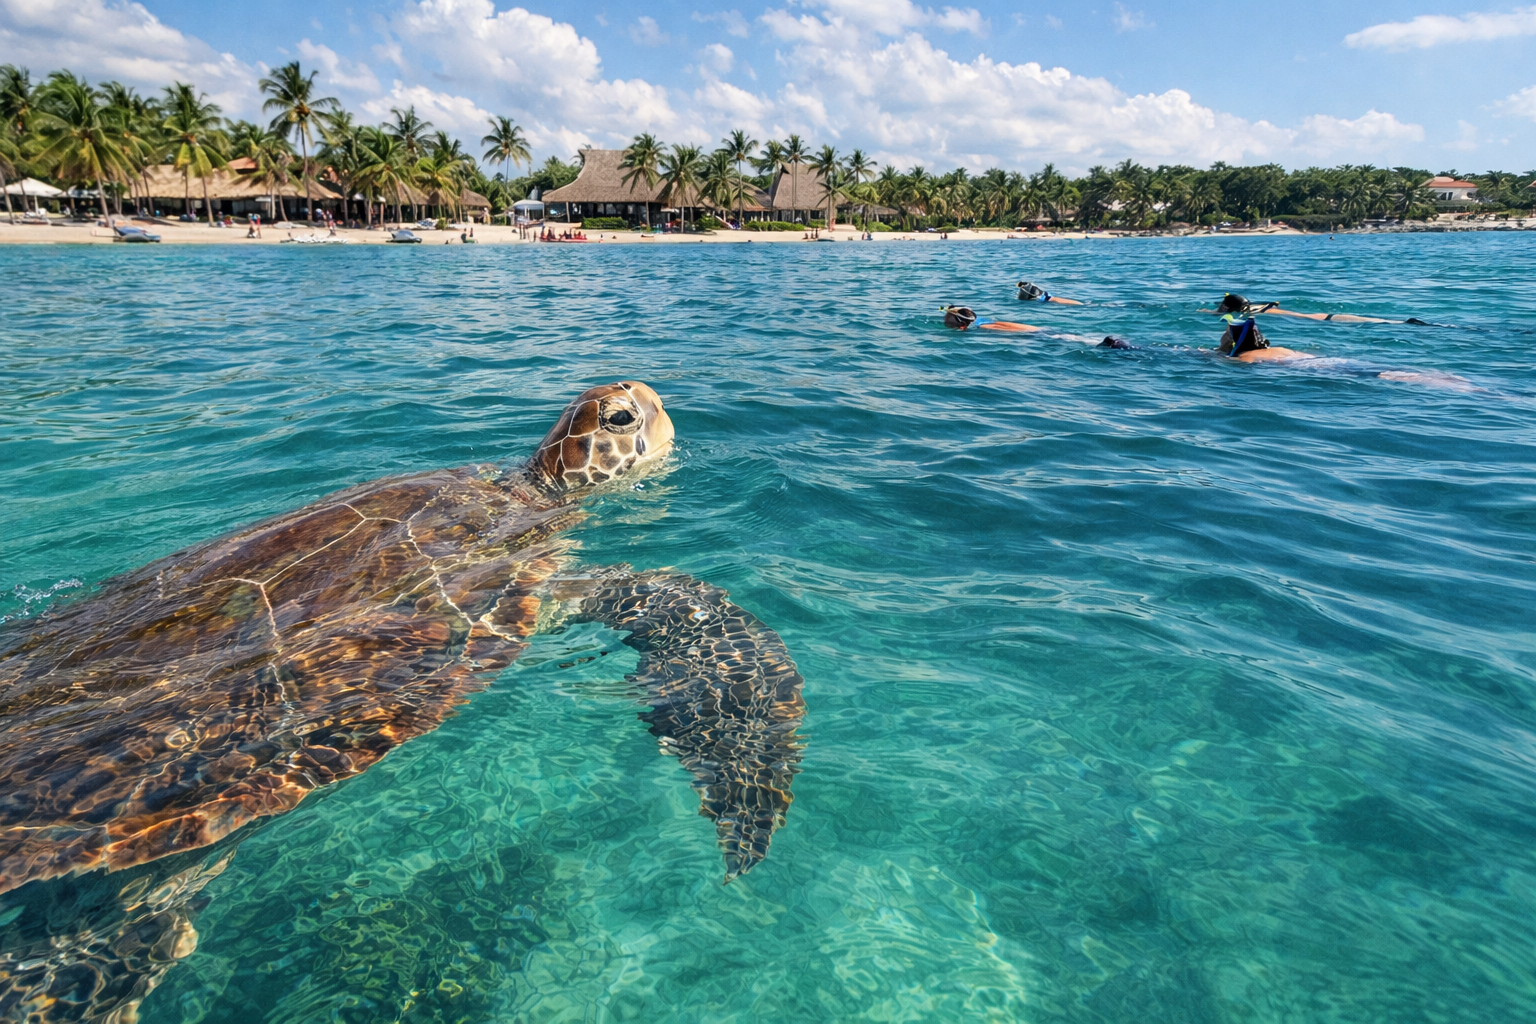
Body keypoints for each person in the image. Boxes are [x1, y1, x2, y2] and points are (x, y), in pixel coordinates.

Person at [1207, 293, 1427, 325]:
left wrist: (1217, 311)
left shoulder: (1250, 314)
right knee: (1383, 321)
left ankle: (1405, 323)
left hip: (1318, 321)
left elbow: (1216, 313)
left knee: (1381, 323)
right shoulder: (1260, 306)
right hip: (1324, 316)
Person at [943, 306, 1040, 332]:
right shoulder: (976, 320)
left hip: (979, 325)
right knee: (997, 324)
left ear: (962, 325)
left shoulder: (981, 326)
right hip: (982, 321)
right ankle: (1038, 330)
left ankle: (1038, 331)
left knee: (994, 326)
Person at [1017, 281, 1083, 305]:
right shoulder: (1028, 285)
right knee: (1054, 299)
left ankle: (1081, 304)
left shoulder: (1024, 290)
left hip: (1041, 298)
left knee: (1054, 299)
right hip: (1044, 296)